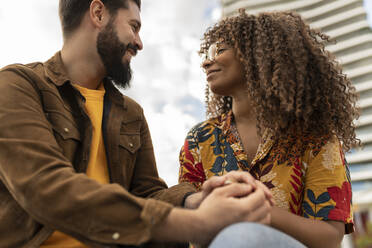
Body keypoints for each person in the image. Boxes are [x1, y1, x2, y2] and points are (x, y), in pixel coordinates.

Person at [0, 1, 278, 247]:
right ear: (98, 13)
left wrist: (197, 201)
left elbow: (148, 193)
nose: (139, 42)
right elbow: (44, 188)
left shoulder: (131, 113)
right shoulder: (17, 85)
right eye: (133, 26)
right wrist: (197, 223)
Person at [179, 9, 359, 248]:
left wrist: (258, 209)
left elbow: (329, 238)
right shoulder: (199, 140)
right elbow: (186, 228)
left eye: (219, 50)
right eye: (207, 53)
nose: (206, 61)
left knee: (241, 237)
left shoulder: (316, 137)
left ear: (258, 57)